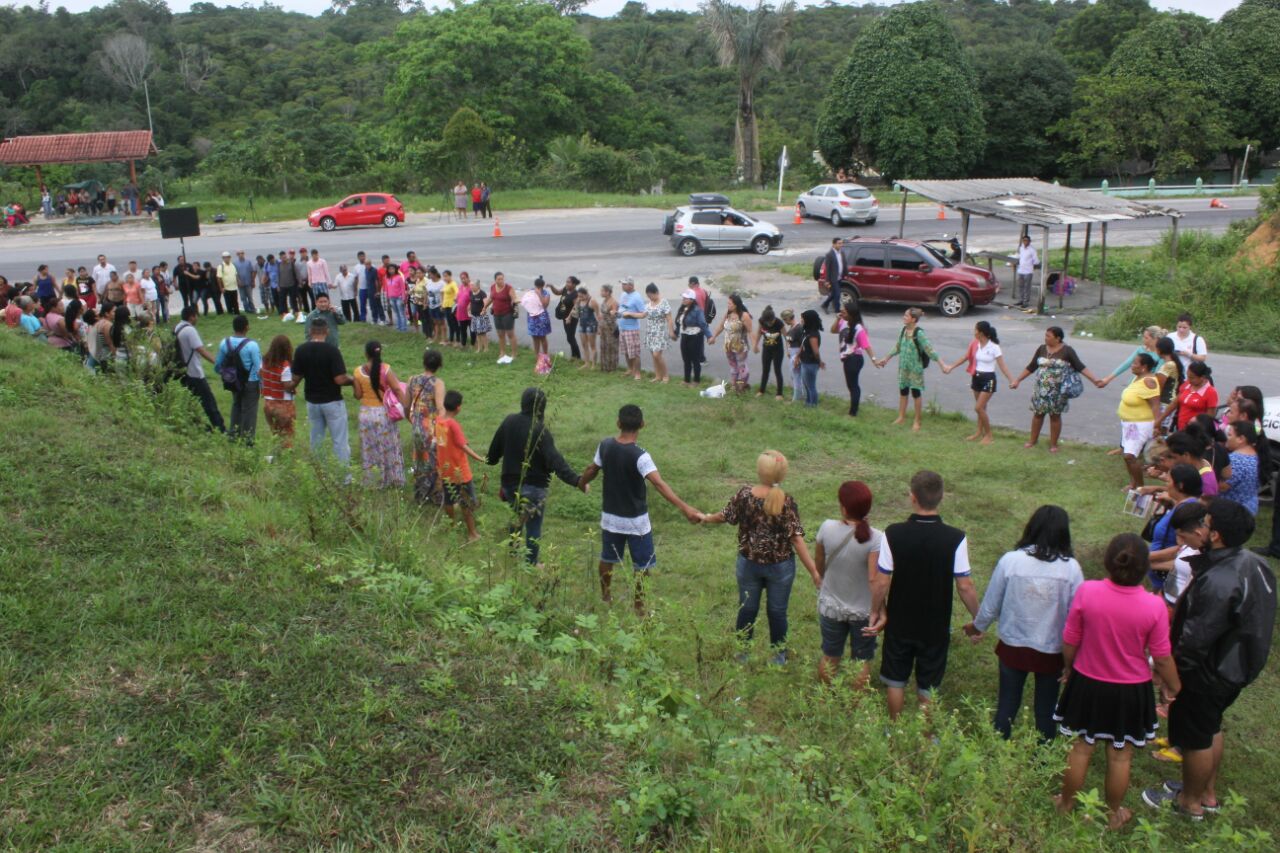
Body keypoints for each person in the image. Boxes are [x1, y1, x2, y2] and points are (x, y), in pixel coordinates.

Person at [1142, 499, 1276, 819]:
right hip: (1236, 666)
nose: (1200, 526)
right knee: (1211, 727)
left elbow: (1194, 641)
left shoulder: (1217, 581)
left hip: (1209, 672)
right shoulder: (1253, 562)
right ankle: (1207, 794)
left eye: (1206, 521)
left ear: (1214, 535)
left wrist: (1173, 680)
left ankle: (1189, 804)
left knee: (1196, 737)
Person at [1053, 534, 1180, 830]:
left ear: (1108, 563)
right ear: (1144, 568)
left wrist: (1069, 667)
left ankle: (1066, 802)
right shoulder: (1154, 606)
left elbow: (1071, 638)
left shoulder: (1088, 591)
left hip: (1088, 682)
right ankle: (1113, 815)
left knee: (1082, 747)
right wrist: (1173, 687)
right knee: (1120, 756)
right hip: (1130, 690)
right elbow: (1161, 656)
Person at [966, 506, 1083, 741]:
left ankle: (999, 749)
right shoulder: (1071, 568)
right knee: (1046, 709)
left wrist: (977, 626)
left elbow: (991, 603)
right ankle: (1043, 758)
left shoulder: (1011, 561)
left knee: (1007, 703)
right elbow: (1077, 614)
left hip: (1013, 644)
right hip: (1052, 649)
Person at [869, 471, 977, 720]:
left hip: (900, 619)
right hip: (935, 623)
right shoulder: (956, 538)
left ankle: (894, 728)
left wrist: (875, 610)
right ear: (941, 498)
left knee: (896, 680)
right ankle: (926, 737)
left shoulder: (893, 533)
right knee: (928, 684)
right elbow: (965, 586)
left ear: (912, 497)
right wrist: (978, 618)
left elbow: (881, 581)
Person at [578, 404, 701, 615]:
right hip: (637, 521)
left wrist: (581, 482)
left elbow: (592, 469)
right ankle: (639, 607)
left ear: (618, 423)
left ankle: (606, 596)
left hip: (610, 518)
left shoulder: (605, 445)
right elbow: (659, 484)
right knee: (641, 566)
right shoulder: (641, 456)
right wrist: (685, 508)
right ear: (642, 425)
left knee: (607, 558)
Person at [699, 450, 818, 665]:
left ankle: (742, 654)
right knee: (778, 612)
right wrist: (814, 572)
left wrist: (705, 518)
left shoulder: (744, 495)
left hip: (748, 563)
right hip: (780, 567)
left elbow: (724, 516)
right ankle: (778, 656)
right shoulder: (787, 502)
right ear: (782, 475)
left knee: (746, 609)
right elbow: (797, 540)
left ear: (759, 470)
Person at [486, 387, 584, 566]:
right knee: (533, 525)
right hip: (534, 488)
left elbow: (492, 455)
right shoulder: (540, 431)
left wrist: (491, 460)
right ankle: (531, 564)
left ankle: (513, 554)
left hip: (510, 486)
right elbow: (555, 460)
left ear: (522, 403)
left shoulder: (509, 422)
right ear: (542, 408)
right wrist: (576, 480)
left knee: (516, 518)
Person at [814, 480, 882, 687]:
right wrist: (879, 610)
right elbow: (875, 579)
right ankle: (856, 705)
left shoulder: (826, 528)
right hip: (863, 611)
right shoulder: (876, 538)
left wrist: (822, 577)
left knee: (830, 656)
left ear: (843, 507)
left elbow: (819, 564)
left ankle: (826, 699)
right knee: (861, 661)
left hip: (831, 607)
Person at [286, 318, 353, 468]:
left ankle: (318, 473)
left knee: (316, 439)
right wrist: (353, 380)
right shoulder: (332, 351)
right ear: (327, 331)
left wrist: (288, 386)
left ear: (310, 331)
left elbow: (295, 378)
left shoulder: (301, 350)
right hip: (332, 400)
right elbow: (340, 379)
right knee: (339, 440)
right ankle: (344, 478)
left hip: (312, 401)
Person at [943, 321, 1015, 444]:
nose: (974, 332)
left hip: (989, 379)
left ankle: (989, 435)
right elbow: (965, 357)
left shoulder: (994, 347)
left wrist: (1011, 380)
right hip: (976, 378)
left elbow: (1002, 366)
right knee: (982, 408)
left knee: (978, 408)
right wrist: (951, 366)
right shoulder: (975, 344)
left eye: (975, 329)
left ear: (981, 332)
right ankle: (978, 432)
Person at [875, 308, 944, 431]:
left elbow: (930, 350)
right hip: (903, 367)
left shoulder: (919, 333)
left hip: (915, 369)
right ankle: (901, 417)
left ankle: (917, 421)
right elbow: (897, 347)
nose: (903, 317)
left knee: (916, 393)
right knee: (903, 391)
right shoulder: (903, 330)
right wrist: (886, 358)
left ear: (913, 319)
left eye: (906, 316)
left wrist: (942, 364)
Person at [351, 339, 407, 489]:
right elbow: (396, 389)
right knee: (389, 446)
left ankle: (373, 480)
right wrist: (406, 407)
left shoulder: (358, 371)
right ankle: (392, 479)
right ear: (380, 352)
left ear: (365, 353)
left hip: (366, 414)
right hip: (383, 414)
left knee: (370, 448)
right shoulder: (386, 369)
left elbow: (357, 395)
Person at [436, 390, 486, 542]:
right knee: (468, 502)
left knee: (449, 500)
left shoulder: (438, 420)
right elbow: (463, 445)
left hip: (445, 469)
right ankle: (472, 534)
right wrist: (480, 458)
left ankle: (452, 526)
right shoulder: (453, 424)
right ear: (458, 408)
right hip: (460, 471)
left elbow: (444, 442)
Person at [173, 306, 225, 433]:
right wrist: (217, 363)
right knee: (209, 402)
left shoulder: (178, 327)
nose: (197, 318)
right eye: (196, 315)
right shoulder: (190, 330)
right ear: (191, 316)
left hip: (183, 371)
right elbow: (201, 350)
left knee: (192, 400)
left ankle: (196, 424)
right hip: (194, 372)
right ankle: (220, 429)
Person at [1115, 353, 1162, 491]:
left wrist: (1156, 425)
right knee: (1127, 456)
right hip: (1129, 424)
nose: (1132, 365)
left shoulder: (1149, 382)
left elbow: (1155, 405)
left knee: (1130, 456)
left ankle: (1141, 488)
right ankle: (1133, 483)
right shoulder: (1138, 378)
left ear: (1144, 367)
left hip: (1139, 425)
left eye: (1135, 363)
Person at [214, 314, 263, 443]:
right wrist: (262, 385)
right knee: (250, 410)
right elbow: (259, 368)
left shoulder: (225, 343)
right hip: (250, 381)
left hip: (233, 380)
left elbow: (218, 364)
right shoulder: (252, 345)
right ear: (247, 327)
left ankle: (233, 435)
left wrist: (224, 374)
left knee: (236, 405)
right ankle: (248, 439)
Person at [406, 348, 446, 506]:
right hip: (431, 426)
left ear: (424, 363)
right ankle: (436, 496)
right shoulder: (438, 383)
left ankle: (420, 495)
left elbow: (405, 405)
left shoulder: (412, 380)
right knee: (436, 460)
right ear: (439, 365)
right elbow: (441, 409)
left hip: (416, 425)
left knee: (420, 460)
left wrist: (413, 420)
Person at [831, 301, 875, 416]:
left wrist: (874, 360)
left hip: (854, 359)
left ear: (851, 313)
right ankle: (853, 409)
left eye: (844, 312)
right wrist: (837, 319)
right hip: (847, 359)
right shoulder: (842, 322)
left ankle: (853, 412)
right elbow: (833, 330)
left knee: (853, 385)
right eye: (841, 311)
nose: (841, 313)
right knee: (851, 385)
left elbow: (866, 346)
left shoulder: (859, 328)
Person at [709, 294, 753, 393]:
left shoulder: (744, 316)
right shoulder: (728, 314)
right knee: (733, 367)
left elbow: (750, 331)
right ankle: (734, 385)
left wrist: (754, 345)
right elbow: (721, 326)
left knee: (742, 367)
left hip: (740, 346)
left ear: (736, 304)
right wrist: (713, 337)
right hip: (728, 346)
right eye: (727, 303)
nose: (728, 305)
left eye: (730, 303)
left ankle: (742, 386)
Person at [259, 334, 296, 447]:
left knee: (275, 434)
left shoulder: (264, 361)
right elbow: (286, 386)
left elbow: (259, 373)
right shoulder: (285, 366)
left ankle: (275, 458)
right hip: (283, 404)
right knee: (287, 436)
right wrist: (296, 381)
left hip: (268, 404)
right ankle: (287, 461)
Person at [1161, 362, 1218, 433]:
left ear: (1202, 377)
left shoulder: (1211, 392)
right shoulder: (1187, 385)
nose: (1189, 380)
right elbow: (1174, 404)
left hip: (1196, 433)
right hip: (1180, 428)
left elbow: (1210, 418)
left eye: (1192, 378)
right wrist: (1160, 419)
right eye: (1188, 377)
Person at [1221, 421, 1261, 515]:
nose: (1226, 438)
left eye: (1229, 435)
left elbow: (1222, 487)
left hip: (1231, 512)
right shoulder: (1257, 458)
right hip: (1250, 507)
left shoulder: (1234, 461)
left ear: (1241, 439)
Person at [673, 289, 711, 386]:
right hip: (684, 336)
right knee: (686, 359)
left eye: (686, 298)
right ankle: (686, 380)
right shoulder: (682, 308)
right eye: (683, 297)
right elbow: (679, 323)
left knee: (695, 359)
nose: (683, 299)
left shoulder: (697, 310)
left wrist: (709, 336)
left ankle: (696, 380)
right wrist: (676, 333)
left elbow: (703, 324)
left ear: (692, 299)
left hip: (695, 337)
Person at [616, 278, 647, 381]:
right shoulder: (623, 295)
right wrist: (617, 313)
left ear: (631, 285)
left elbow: (643, 314)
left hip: (632, 329)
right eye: (622, 284)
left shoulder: (637, 297)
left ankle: (637, 373)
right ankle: (630, 369)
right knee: (626, 351)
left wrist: (630, 314)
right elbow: (622, 308)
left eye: (624, 284)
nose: (622, 286)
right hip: (622, 327)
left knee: (635, 353)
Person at [641, 283, 673, 383]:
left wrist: (671, 331)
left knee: (657, 355)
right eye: (648, 296)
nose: (649, 297)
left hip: (660, 332)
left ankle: (666, 376)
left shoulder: (664, 303)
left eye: (650, 295)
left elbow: (669, 319)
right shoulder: (648, 305)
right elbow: (642, 315)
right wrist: (629, 314)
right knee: (653, 355)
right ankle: (658, 376)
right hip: (650, 332)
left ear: (656, 293)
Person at [754, 305, 787, 399]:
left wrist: (789, 349)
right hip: (766, 349)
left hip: (778, 350)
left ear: (774, 318)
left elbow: (786, 337)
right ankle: (761, 391)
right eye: (768, 322)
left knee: (777, 370)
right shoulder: (762, 321)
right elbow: (759, 332)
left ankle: (779, 393)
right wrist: (755, 345)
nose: (769, 324)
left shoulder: (779, 323)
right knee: (765, 370)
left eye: (771, 322)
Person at [795, 309, 824, 407]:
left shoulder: (813, 335)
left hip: (810, 363)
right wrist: (797, 357)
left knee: (811, 386)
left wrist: (820, 362)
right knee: (807, 385)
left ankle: (813, 405)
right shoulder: (807, 332)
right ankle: (808, 403)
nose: (801, 320)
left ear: (808, 320)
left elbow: (815, 352)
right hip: (805, 362)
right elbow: (802, 345)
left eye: (803, 319)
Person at [550, 276, 581, 360]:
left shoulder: (575, 295)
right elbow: (557, 292)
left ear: (574, 284)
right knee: (569, 337)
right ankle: (574, 356)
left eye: (569, 282)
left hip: (571, 318)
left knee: (570, 337)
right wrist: (551, 286)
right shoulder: (565, 289)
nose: (567, 283)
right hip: (565, 317)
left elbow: (576, 308)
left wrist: (569, 318)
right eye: (566, 282)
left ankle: (577, 357)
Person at [489, 272, 517, 364]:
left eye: (502, 279)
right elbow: (491, 298)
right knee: (500, 334)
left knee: (510, 334)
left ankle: (513, 354)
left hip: (507, 314)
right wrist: (485, 307)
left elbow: (514, 299)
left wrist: (514, 303)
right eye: (499, 279)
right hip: (497, 314)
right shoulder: (493, 287)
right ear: (495, 280)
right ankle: (502, 352)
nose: (501, 281)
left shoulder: (509, 288)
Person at [522, 275, 552, 362]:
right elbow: (525, 301)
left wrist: (539, 294)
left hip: (542, 318)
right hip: (532, 317)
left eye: (539, 287)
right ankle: (537, 356)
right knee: (534, 337)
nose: (538, 288)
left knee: (543, 337)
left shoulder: (546, 294)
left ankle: (545, 355)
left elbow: (545, 305)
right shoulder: (531, 292)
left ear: (542, 286)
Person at [573, 286, 598, 368]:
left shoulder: (592, 301)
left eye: (581, 296)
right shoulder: (579, 301)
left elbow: (598, 315)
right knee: (584, 344)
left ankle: (593, 364)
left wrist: (599, 328)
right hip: (582, 324)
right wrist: (577, 303)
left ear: (586, 294)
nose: (580, 298)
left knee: (592, 345)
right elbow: (576, 312)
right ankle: (586, 363)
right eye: (579, 296)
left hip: (591, 325)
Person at [597, 284, 619, 373]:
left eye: (602, 291)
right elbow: (602, 315)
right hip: (603, 326)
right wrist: (599, 326)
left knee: (611, 347)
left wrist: (613, 313)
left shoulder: (613, 302)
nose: (601, 292)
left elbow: (614, 316)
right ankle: (605, 367)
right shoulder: (604, 300)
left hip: (611, 327)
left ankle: (612, 368)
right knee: (604, 346)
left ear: (608, 292)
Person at [819, 237, 844, 313]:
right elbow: (828, 268)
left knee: (833, 294)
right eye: (839, 243)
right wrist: (827, 281)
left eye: (841, 243)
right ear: (834, 244)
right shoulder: (829, 255)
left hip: (839, 277)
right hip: (833, 279)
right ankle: (837, 311)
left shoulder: (841, 253)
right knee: (837, 294)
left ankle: (825, 304)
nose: (841, 245)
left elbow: (843, 264)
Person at [782, 309, 803, 402]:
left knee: (796, 376)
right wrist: (788, 350)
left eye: (784, 319)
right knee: (794, 375)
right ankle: (800, 395)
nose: (784, 322)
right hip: (792, 353)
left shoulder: (798, 328)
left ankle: (796, 398)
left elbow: (802, 343)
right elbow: (788, 340)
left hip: (796, 353)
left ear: (788, 318)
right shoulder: (792, 327)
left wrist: (798, 357)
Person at [1014, 235, 1038, 309]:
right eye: (1024, 240)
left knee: (1026, 287)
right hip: (1021, 270)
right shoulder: (1021, 248)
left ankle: (1026, 301)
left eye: (1027, 240)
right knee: (1020, 286)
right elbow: (1019, 257)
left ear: (1029, 241)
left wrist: (1032, 264)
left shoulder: (1032, 250)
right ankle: (1021, 300)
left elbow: (1036, 261)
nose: (1025, 242)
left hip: (1028, 271)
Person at [383, 264, 407, 333]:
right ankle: (398, 327)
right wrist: (387, 297)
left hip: (399, 298)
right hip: (391, 298)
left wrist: (403, 298)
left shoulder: (399, 277)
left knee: (401, 313)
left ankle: (403, 328)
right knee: (396, 313)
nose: (391, 271)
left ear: (395, 269)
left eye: (392, 269)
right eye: (390, 269)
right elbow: (386, 288)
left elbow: (403, 288)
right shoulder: (387, 278)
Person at [234, 250, 257, 314]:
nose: (241, 255)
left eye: (242, 253)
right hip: (240, 284)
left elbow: (252, 272)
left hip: (248, 282)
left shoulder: (248, 262)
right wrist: (238, 281)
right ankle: (247, 310)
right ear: (237, 255)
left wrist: (253, 281)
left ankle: (253, 309)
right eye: (239, 253)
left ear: (244, 254)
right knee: (243, 298)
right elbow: (235, 274)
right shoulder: (235, 263)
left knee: (250, 297)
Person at [455, 273, 474, 348]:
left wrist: (470, 305)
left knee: (472, 329)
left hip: (469, 312)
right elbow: (458, 297)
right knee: (463, 329)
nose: (463, 280)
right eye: (461, 278)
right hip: (461, 312)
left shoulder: (471, 287)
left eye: (464, 278)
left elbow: (474, 298)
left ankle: (473, 344)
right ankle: (463, 344)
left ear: (468, 278)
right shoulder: (460, 287)